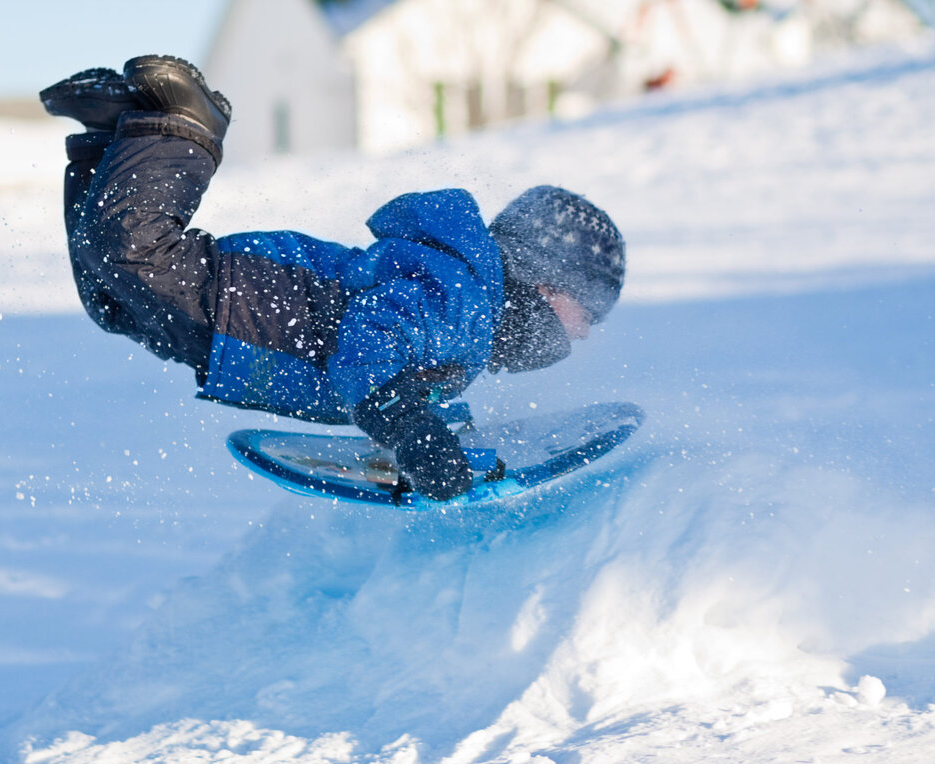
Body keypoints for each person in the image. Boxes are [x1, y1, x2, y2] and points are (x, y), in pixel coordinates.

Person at [41, 56, 625, 501]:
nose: (585, 334)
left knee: (112, 299)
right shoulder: (467, 298)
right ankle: (184, 124)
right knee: (136, 252)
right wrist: (409, 431)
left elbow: (408, 365)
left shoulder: (470, 315)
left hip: (239, 331)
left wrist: (435, 426)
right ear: (549, 285)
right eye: (589, 313)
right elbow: (372, 342)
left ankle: (115, 137)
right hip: (260, 304)